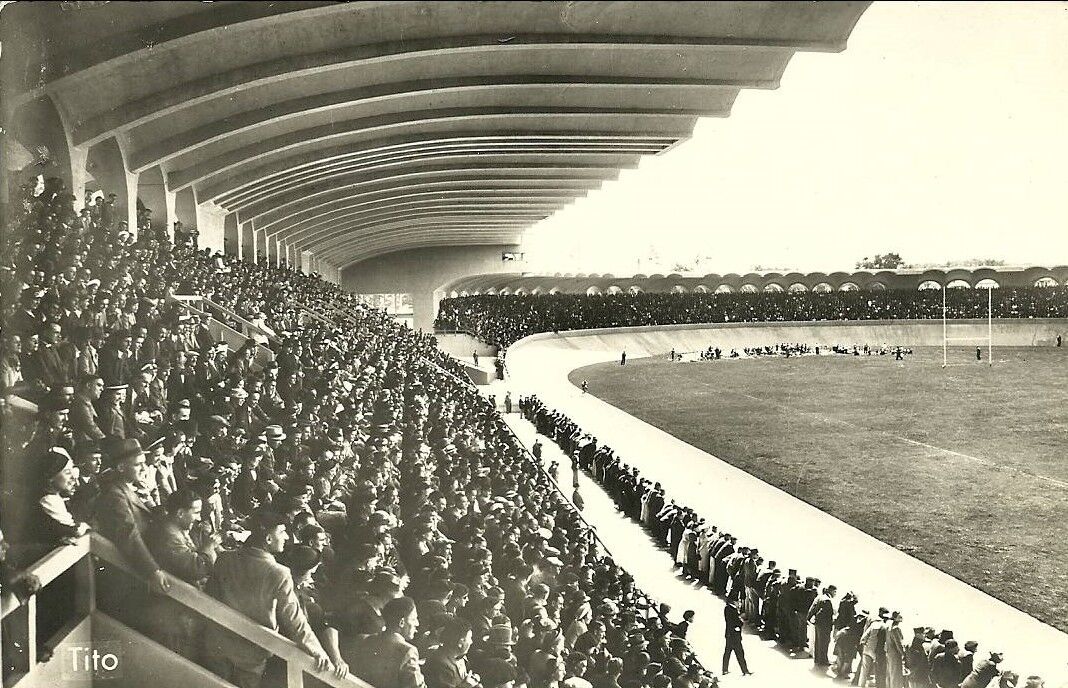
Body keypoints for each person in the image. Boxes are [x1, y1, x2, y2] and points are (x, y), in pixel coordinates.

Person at [203, 510, 331, 688]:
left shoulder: (224, 558)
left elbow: (209, 598)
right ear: (268, 539)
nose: (287, 537)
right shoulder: (279, 573)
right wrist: (317, 650)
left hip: (216, 646)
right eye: (282, 532)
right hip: (250, 655)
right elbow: (294, 619)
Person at [345, 596, 426, 688]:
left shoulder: (363, 640)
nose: (417, 624)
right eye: (414, 619)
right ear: (401, 622)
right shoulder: (408, 651)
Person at [424, 616, 480, 688]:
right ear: (460, 643)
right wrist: (465, 686)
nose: (471, 642)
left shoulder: (458, 657)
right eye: (470, 638)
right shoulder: (441, 664)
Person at [808, 585, 836, 667]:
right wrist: (832, 622)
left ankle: (817, 659)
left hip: (818, 624)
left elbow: (813, 608)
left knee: (818, 642)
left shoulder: (820, 597)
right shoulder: (827, 600)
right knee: (824, 643)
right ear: (830, 591)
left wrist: (811, 618)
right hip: (824, 625)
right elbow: (824, 614)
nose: (835, 594)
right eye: (834, 592)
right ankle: (823, 661)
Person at [722, 597, 751, 676]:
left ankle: (725, 669)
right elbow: (737, 622)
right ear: (734, 602)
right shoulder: (732, 610)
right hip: (734, 635)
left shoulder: (728, 609)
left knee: (728, 652)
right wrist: (741, 619)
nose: (739, 603)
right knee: (739, 653)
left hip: (729, 634)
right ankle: (745, 670)